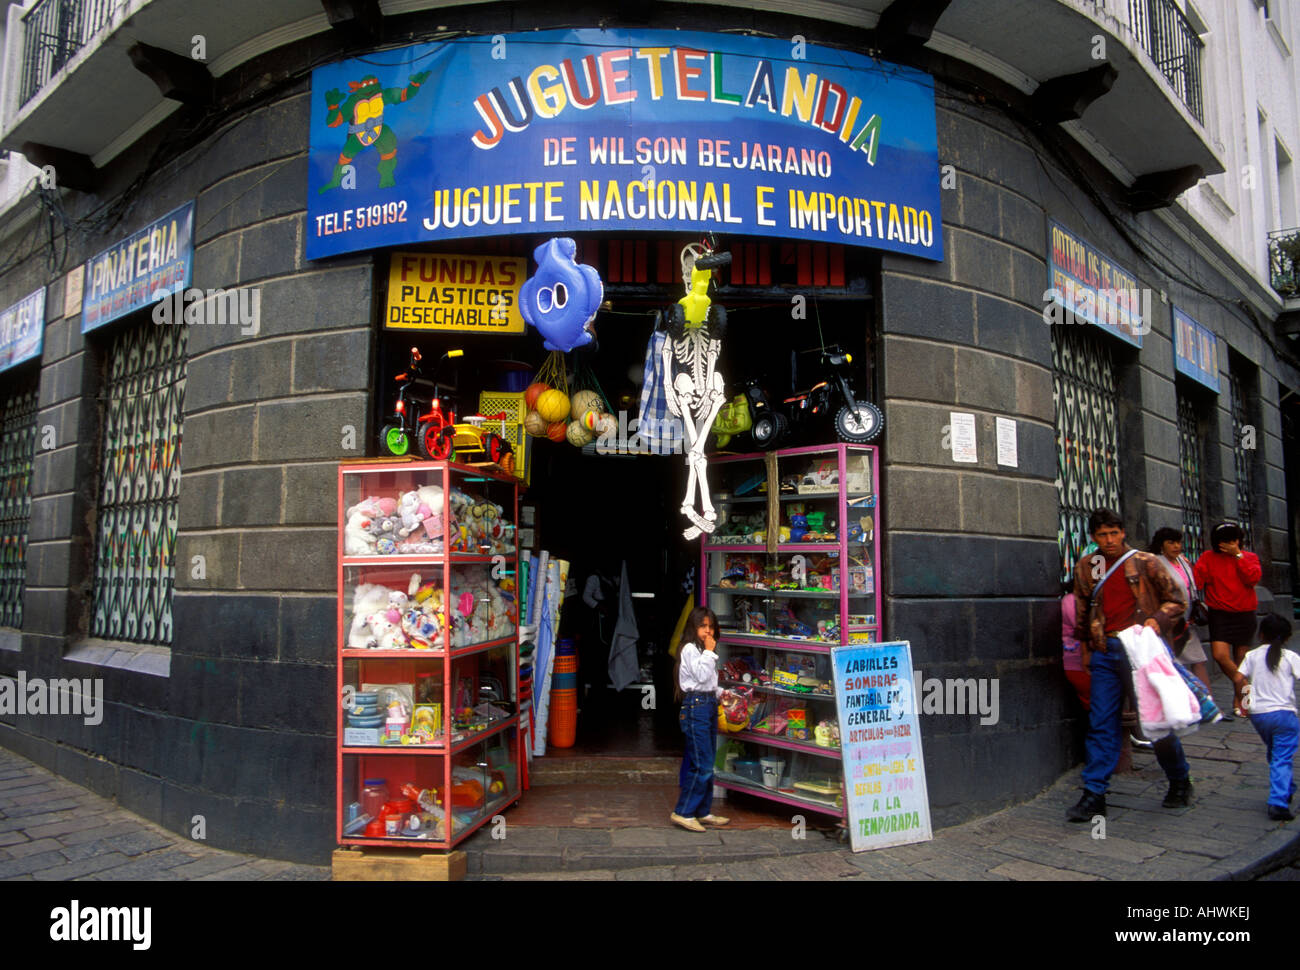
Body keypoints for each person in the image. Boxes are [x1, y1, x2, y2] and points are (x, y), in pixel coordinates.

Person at [1067, 509, 1193, 822]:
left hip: (1141, 651)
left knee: (1155, 721)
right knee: (1100, 723)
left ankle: (1179, 780)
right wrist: (1085, 649)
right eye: (1101, 535)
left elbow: (1178, 600)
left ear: (1123, 532)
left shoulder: (1147, 562)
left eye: (1113, 533)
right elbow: (1083, 611)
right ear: (1093, 537)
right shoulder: (1087, 566)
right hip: (1105, 650)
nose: (1108, 541)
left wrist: (1157, 618)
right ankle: (1094, 793)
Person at [670, 606, 729, 832]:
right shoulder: (690, 650)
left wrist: (722, 693)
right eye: (702, 626)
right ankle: (683, 812)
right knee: (701, 763)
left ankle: (702, 811)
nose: (707, 631)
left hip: (708, 705)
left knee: (708, 761)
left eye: (710, 626)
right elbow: (701, 676)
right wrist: (709, 652)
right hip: (696, 709)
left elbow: (708, 683)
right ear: (693, 628)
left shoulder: (702, 650)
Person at [1193, 521, 1261, 716]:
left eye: (1233, 540)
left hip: (1245, 614)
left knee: (1241, 659)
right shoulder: (1208, 557)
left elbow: (1252, 578)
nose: (1230, 544)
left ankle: (1241, 703)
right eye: (1225, 541)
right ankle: (1244, 684)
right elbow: (1198, 581)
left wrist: (1238, 555)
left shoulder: (1249, 557)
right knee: (1220, 656)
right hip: (1220, 614)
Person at [1240, 613, 1298, 821]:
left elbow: (1240, 678)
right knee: (1282, 756)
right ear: (1287, 638)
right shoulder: (1290, 657)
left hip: (1260, 716)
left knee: (1276, 751)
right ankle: (1278, 802)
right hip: (1284, 715)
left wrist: (1245, 703)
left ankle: (1287, 786)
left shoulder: (1252, 656)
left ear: (1261, 634)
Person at [1148, 527, 1210, 690]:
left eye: (1179, 542)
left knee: (1199, 660)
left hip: (1187, 621)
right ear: (1161, 545)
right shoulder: (1156, 563)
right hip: (1169, 622)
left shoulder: (1182, 561)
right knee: (1173, 664)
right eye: (1171, 543)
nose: (1177, 546)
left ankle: (1208, 704)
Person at [1061, 581, 1090, 709]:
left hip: (1078, 661)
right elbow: (1081, 626)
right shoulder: (1071, 600)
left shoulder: (1071, 600)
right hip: (1077, 662)